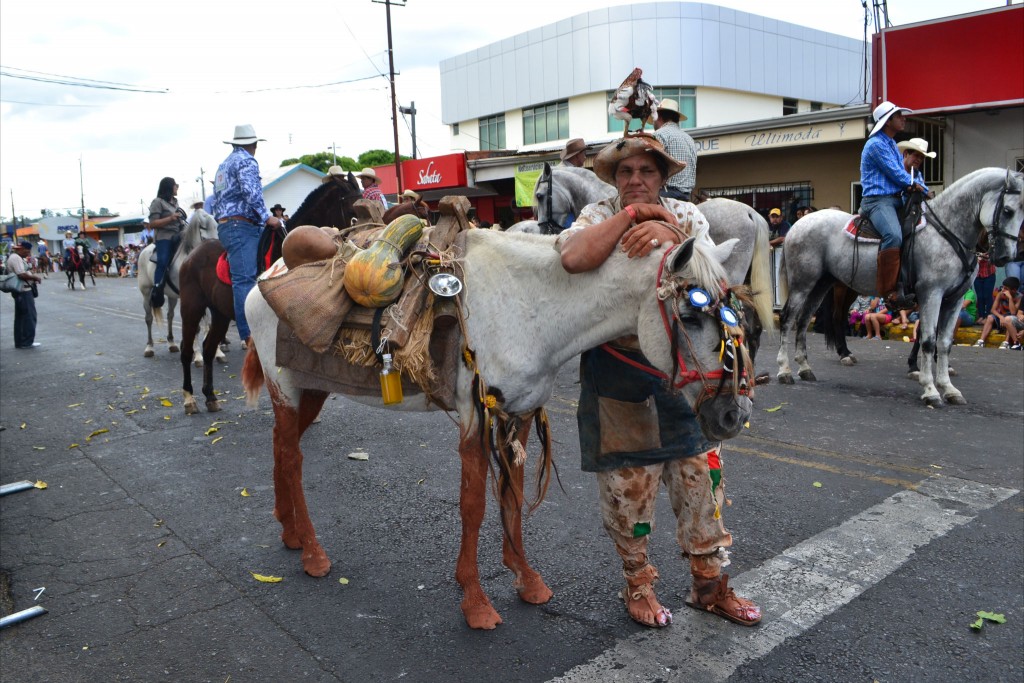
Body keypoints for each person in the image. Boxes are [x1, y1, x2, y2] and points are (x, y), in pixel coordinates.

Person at [557, 133, 761, 629]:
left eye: (646, 172)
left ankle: (709, 588)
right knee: (630, 492)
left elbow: (714, 283)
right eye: (625, 172)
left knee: (702, 485)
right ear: (613, 178)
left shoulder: (688, 216)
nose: (635, 180)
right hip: (619, 371)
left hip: (682, 374)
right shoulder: (596, 214)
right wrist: (629, 218)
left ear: (663, 176)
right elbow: (572, 259)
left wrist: (671, 235)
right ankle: (639, 586)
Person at [213, 124, 283, 349]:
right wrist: (266, 217)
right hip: (241, 226)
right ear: (253, 145)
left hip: (227, 225)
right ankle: (248, 335)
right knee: (245, 278)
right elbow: (251, 192)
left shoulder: (224, 165)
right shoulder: (246, 161)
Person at [859, 101, 925, 309]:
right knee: (894, 235)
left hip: (895, 201)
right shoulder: (876, 144)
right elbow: (896, 173)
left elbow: (900, 171)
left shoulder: (890, 144)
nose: (903, 118)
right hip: (877, 201)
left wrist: (916, 186)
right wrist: (913, 185)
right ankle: (889, 292)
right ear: (888, 121)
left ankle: (908, 282)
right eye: (899, 116)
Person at [147, 177, 187, 308]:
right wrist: (171, 218)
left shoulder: (175, 202)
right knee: (163, 260)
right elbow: (153, 223)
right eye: (176, 185)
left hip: (179, 233)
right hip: (164, 236)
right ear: (169, 187)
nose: (177, 188)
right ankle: (157, 288)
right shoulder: (157, 202)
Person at [653, 98, 697, 202]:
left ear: (658, 116)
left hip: (666, 194)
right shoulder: (689, 139)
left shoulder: (659, 135)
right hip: (686, 196)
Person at [6, 241, 42, 348]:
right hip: (23, 291)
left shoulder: (15, 257)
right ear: (23, 249)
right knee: (29, 317)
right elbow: (21, 274)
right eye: (27, 251)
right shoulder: (16, 258)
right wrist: (35, 277)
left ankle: (20, 342)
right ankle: (27, 342)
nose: (28, 253)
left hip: (21, 291)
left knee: (20, 318)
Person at [974, 276, 1022, 349]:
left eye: (1006, 289)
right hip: (1001, 317)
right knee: (990, 317)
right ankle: (981, 340)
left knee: (1010, 320)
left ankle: (1006, 342)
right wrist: (1001, 317)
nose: (1003, 290)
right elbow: (993, 309)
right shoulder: (1000, 294)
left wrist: (1010, 298)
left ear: (1014, 290)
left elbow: (1013, 312)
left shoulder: (1019, 297)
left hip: (1011, 318)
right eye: (1002, 287)